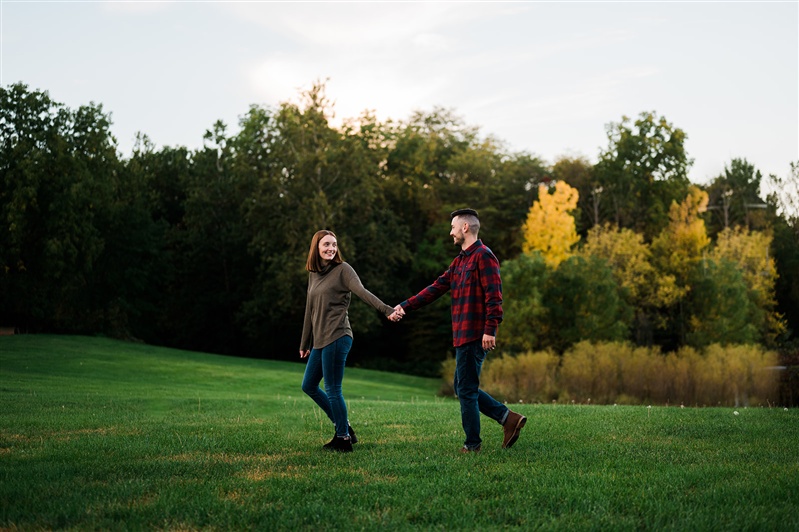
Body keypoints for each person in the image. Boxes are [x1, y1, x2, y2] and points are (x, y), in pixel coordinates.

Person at [393, 208, 526, 453]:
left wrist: (490, 329)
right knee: (464, 387)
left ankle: (472, 444)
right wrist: (405, 306)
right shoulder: (460, 262)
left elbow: (494, 297)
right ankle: (508, 418)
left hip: (476, 334)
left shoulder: (484, 256)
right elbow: (435, 288)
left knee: (465, 388)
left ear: (465, 227)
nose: (450, 232)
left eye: (453, 227)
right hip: (462, 334)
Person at [300, 229, 401, 453]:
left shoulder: (343, 270)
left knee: (333, 388)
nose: (331, 248)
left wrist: (387, 310)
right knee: (308, 385)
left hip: (338, 335)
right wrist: (304, 342)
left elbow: (362, 292)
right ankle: (344, 427)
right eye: (326, 244)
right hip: (320, 340)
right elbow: (310, 309)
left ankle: (343, 439)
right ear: (316, 247)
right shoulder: (314, 274)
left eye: (334, 244)